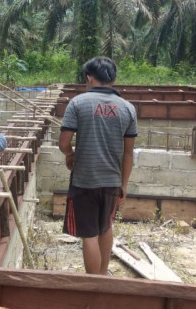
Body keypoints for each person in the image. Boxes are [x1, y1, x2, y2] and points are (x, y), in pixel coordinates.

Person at [58, 57, 137, 275]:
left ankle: (92, 283)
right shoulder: (128, 108)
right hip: (112, 181)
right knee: (106, 226)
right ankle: (103, 276)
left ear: (89, 78)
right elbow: (128, 152)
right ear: (113, 79)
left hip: (85, 180)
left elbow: (64, 143)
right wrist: (124, 184)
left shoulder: (78, 103)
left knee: (89, 234)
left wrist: (70, 155)